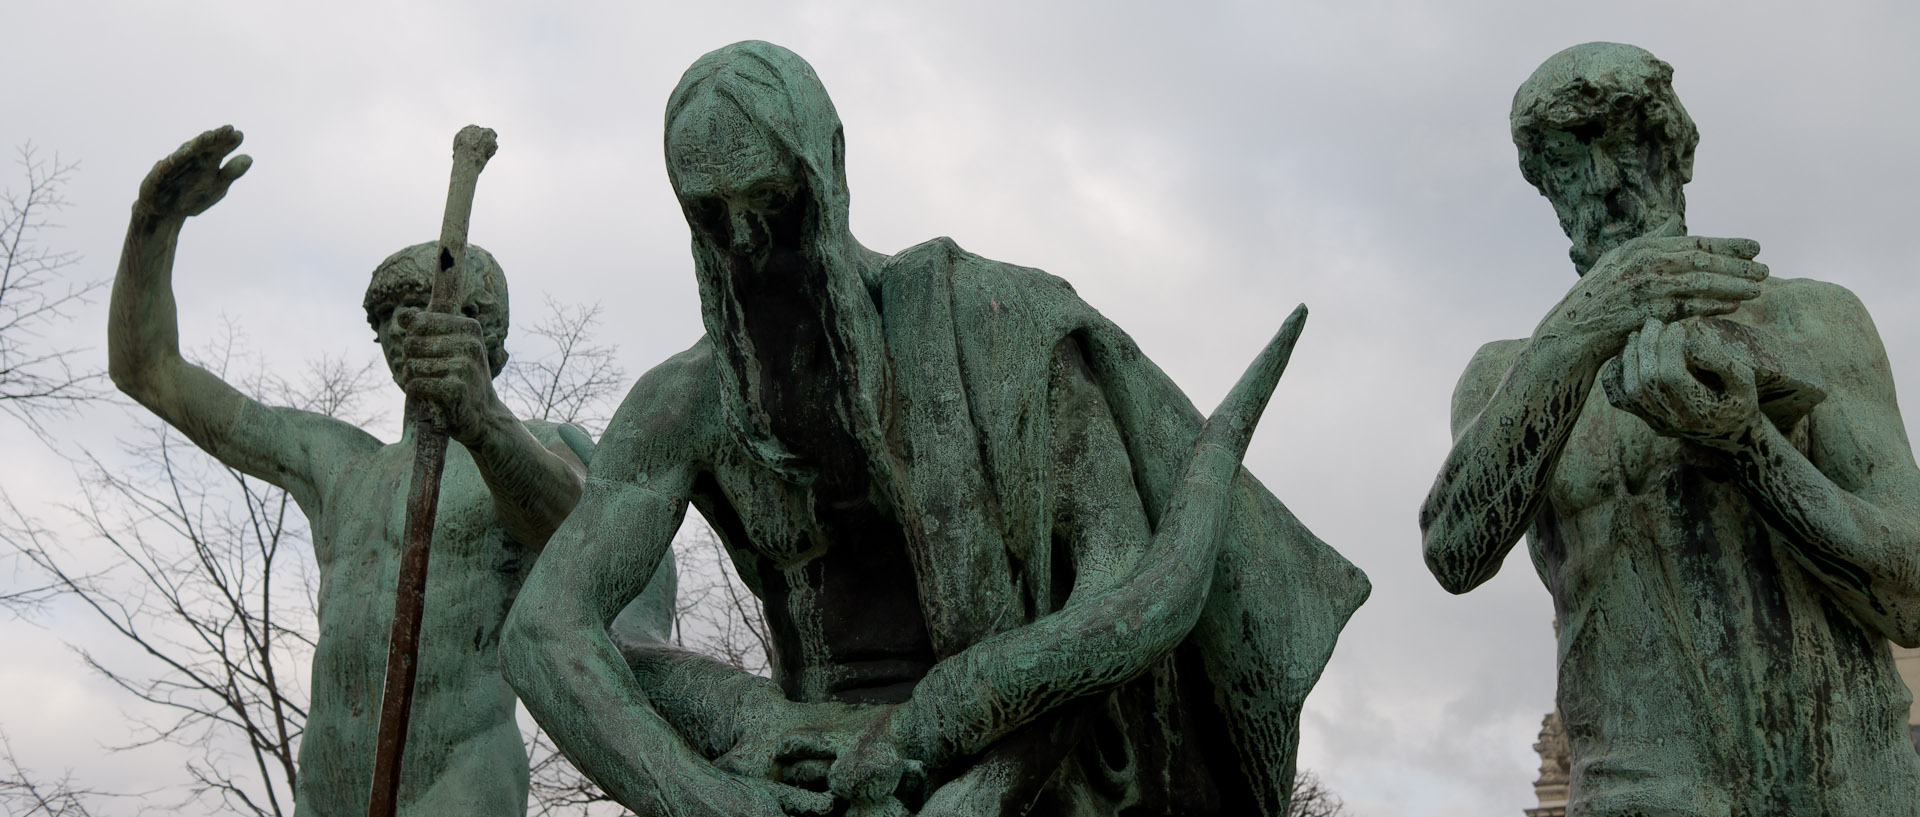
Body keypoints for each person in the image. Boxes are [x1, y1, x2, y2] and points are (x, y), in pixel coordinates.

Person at [501, 41, 1367, 817]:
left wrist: (970, 755)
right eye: (710, 214)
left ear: (830, 167)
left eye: (771, 199)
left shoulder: (1001, 325)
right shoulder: (683, 402)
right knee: (622, 660)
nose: (749, 242)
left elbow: (1120, 584)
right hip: (807, 766)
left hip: (1028, 744)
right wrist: (713, 793)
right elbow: (545, 629)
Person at [108, 126, 674, 816]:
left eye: (432, 312)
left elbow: (593, 537)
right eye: (393, 319)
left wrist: (483, 421)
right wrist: (152, 225)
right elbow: (148, 370)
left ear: (487, 335)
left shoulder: (537, 445)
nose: (410, 331)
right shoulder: (338, 463)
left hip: (461, 777)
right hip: (328, 784)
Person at [1420, 42, 1920, 815]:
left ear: (1678, 155)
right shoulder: (1507, 377)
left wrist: (1750, 448)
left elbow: (1911, 597)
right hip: (1642, 792)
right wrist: (1574, 338)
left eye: (1628, 145)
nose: (1607, 183)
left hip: (1850, 785)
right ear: (1545, 189)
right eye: (1567, 160)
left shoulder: (1816, 321)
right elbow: (1453, 551)